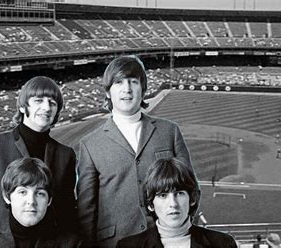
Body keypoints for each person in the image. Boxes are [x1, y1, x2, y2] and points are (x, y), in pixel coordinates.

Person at [77, 56, 194, 246]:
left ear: (144, 88)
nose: (127, 89)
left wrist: (178, 233)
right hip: (114, 242)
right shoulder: (90, 144)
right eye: (118, 82)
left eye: (133, 82)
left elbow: (190, 189)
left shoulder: (169, 131)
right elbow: (86, 211)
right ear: (108, 91)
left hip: (166, 240)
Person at [0, 76, 77, 232]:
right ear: (22, 107)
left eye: (52, 103)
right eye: (38, 101)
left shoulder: (66, 154)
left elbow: (66, 211)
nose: (47, 108)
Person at [116, 158, 237, 248]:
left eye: (179, 193)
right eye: (163, 195)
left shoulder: (223, 244)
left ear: (192, 199)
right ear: (150, 204)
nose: (173, 203)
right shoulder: (128, 246)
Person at [0, 158, 82, 247]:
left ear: (49, 200)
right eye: (22, 192)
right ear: (7, 197)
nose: (31, 201)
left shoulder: (71, 244)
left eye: (40, 193)